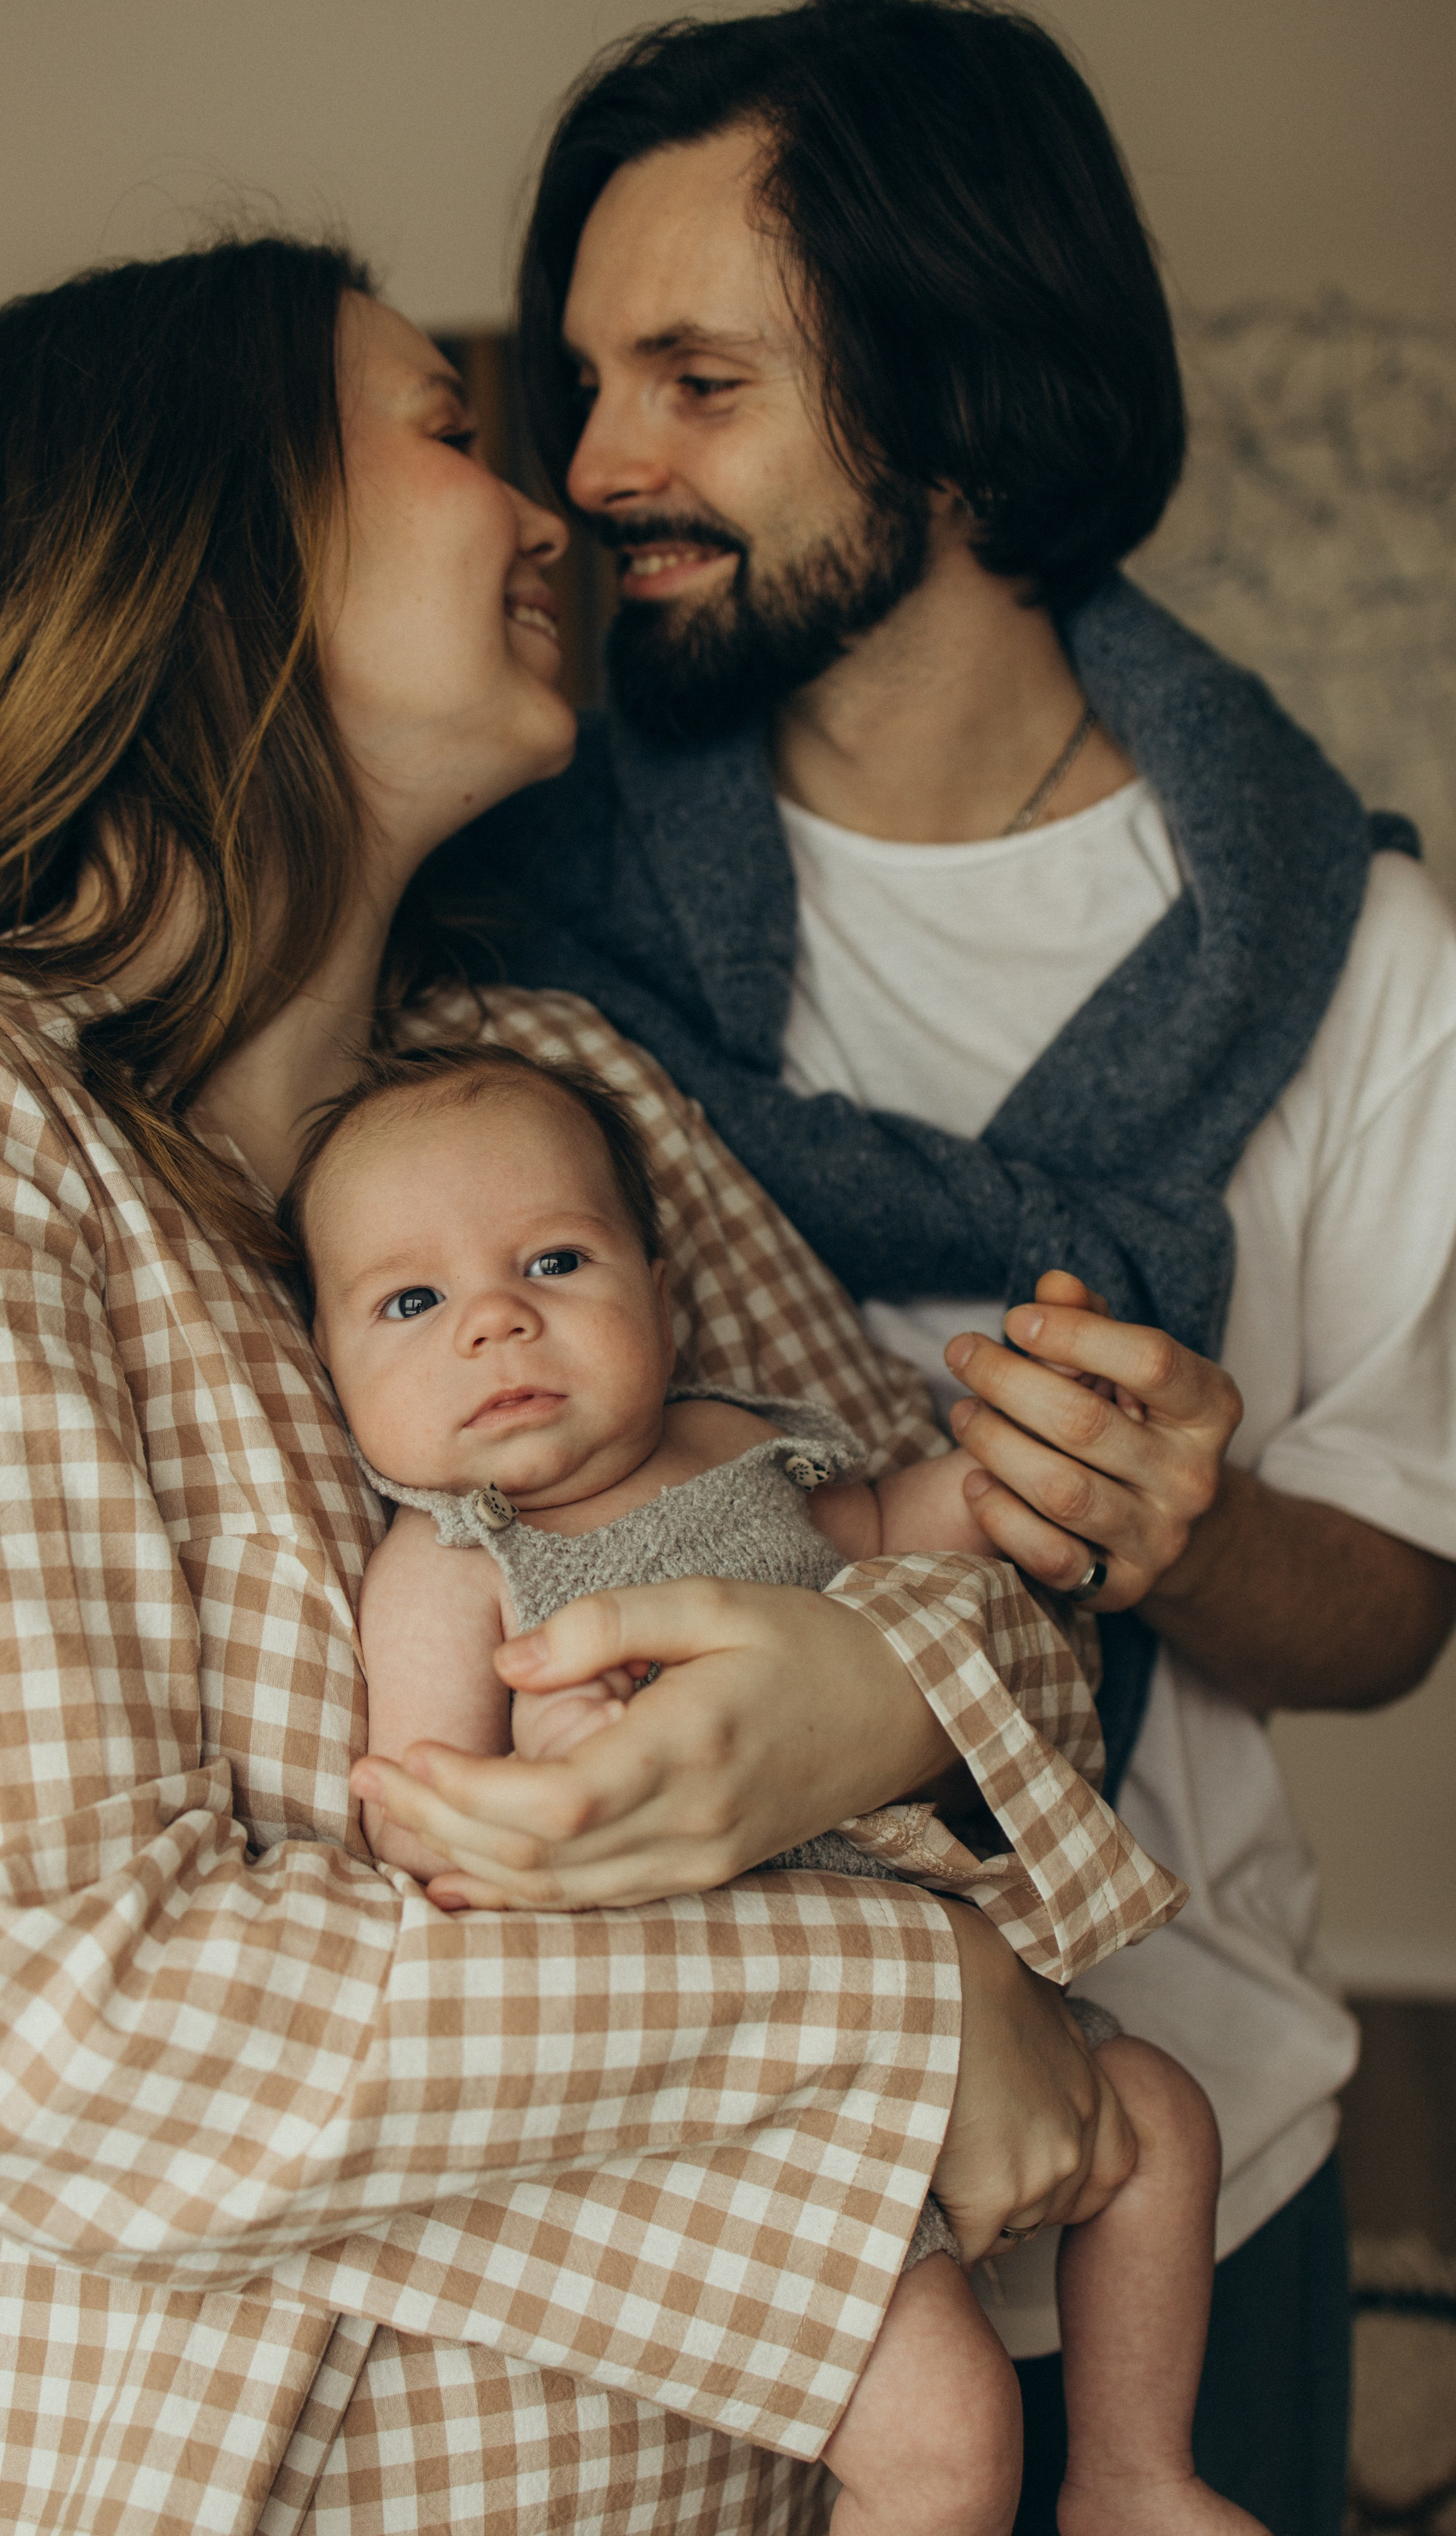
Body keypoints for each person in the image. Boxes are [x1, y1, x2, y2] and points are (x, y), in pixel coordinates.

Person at [0, 234, 1209, 2536]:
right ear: (205, 529)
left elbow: (973, 1570)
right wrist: (902, 2014)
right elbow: (77, 2033)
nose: (548, 512)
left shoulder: (550, 1082)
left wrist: (871, 1701)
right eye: (447, 431)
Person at [427, 0, 1456, 2531]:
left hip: (1191, 2185)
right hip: (662, 2214)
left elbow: (1402, 1601)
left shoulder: (1351, 953)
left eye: (697, 382)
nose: (591, 470)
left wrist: (1191, 1533)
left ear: (966, 413)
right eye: (584, 379)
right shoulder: (512, 918)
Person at [297, 1034, 1256, 2536]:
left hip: (929, 1956)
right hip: (735, 2067)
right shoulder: (451, 1567)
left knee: (1165, 2118)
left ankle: (1134, 2475)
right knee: (945, 2428)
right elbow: (419, 1817)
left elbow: (891, 1528)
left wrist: (1010, 1474)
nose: (494, 1322)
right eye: (410, 1303)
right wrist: (542, 1777)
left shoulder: (736, 1444)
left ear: (660, 1298)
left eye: (552, 1261)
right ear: (331, 1362)